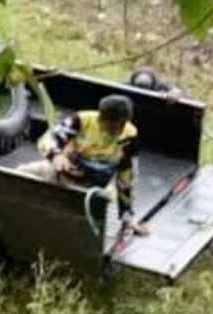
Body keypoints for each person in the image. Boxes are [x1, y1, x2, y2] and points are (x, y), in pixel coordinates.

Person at [16, 94, 149, 237]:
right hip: (63, 175)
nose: (117, 130)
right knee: (18, 174)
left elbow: (127, 179)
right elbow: (49, 138)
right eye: (111, 125)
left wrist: (127, 217)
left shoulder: (129, 136)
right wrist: (56, 156)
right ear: (101, 118)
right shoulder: (82, 120)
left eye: (121, 124)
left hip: (91, 192)